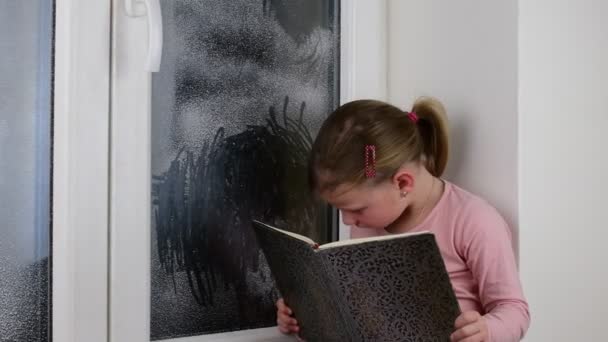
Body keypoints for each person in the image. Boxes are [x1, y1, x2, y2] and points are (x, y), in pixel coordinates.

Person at [275, 98, 530, 341]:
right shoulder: (369, 222)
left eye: (357, 209)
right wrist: (304, 315)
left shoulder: (474, 221)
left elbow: (514, 309)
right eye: (339, 209)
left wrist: (486, 331)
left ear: (402, 183)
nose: (348, 221)